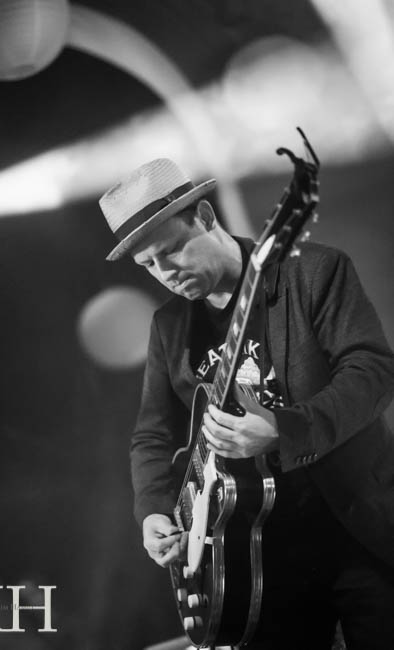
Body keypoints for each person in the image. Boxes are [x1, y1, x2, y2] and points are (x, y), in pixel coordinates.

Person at [99, 158, 394, 649]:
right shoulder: (170, 327)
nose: (165, 273)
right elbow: (152, 435)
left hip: (355, 529)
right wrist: (153, 512)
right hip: (255, 555)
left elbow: (373, 371)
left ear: (206, 217)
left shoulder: (313, 272)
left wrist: (284, 430)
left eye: (170, 251)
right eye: (148, 265)